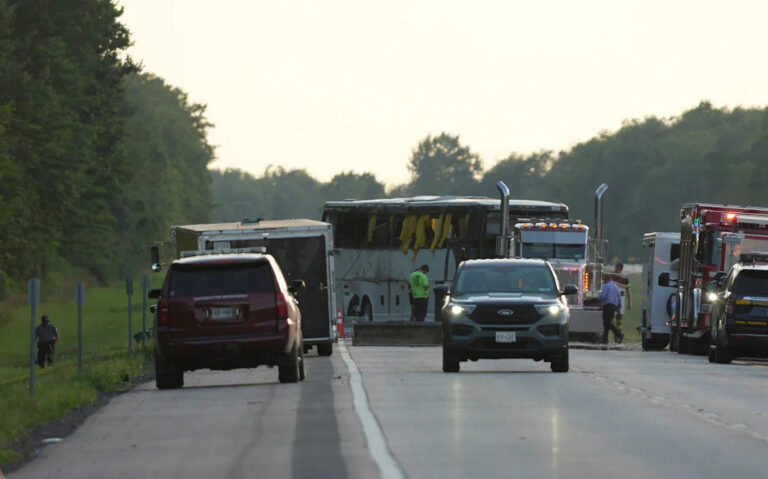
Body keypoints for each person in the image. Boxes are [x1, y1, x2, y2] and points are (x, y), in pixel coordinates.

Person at [598, 274, 624, 344]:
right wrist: (619, 307)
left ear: (606, 279)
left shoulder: (605, 286)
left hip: (608, 306)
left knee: (607, 322)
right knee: (606, 323)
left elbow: (603, 296)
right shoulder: (616, 287)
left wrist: (598, 298)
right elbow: (619, 298)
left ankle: (619, 334)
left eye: (603, 280)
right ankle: (605, 339)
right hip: (614, 306)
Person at [611, 262, 632, 337]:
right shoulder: (611, 275)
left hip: (621, 299)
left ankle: (618, 333)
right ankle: (616, 333)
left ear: (620, 268)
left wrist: (629, 302)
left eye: (616, 268)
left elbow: (628, 290)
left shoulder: (625, 277)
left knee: (619, 318)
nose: (615, 269)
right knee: (612, 317)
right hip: (612, 299)